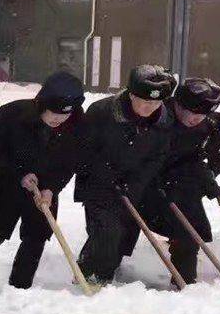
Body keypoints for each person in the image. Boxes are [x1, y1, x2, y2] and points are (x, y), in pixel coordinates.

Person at [0, 71, 88, 289]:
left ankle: (20, 286)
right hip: (6, 185)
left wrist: (51, 188)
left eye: (65, 115)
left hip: (44, 190)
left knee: (36, 236)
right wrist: (19, 174)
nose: (58, 119)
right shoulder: (13, 115)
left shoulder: (77, 125)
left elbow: (70, 162)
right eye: (53, 112)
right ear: (41, 103)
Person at [75, 65, 177, 285]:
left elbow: (158, 156)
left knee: (124, 232)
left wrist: (135, 182)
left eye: (157, 102)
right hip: (97, 182)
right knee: (106, 229)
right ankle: (97, 277)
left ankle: (97, 267)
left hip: (132, 185)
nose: (151, 107)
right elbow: (84, 150)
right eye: (145, 101)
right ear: (131, 94)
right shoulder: (102, 112)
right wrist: (105, 174)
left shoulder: (164, 120)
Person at [140, 78, 220, 286]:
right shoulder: (155, 117)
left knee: (190, 228)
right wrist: (151, 181)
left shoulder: (201, 127)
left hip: (176, 183)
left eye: (203, 114)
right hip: (140, 182)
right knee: (122, 232)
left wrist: (216, 192)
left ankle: (184, 281)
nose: (197, 119)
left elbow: (195, 160)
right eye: (193, 112)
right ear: (178, 105)